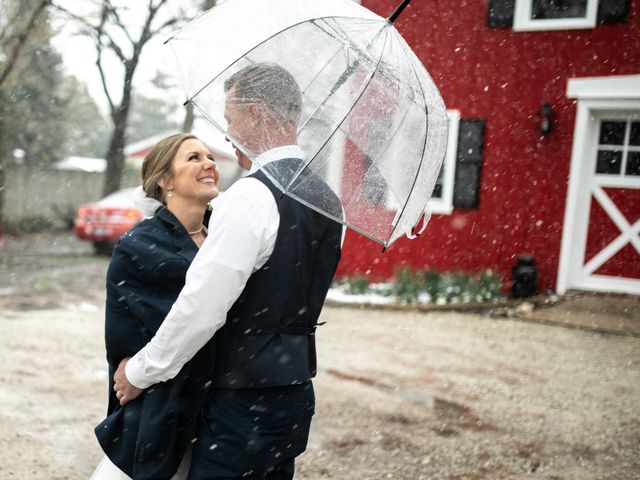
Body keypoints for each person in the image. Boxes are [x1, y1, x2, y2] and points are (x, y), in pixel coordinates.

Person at [113, 62, 343, 479]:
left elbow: (201, 308)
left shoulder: (251, 197)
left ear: (254, 113)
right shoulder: (330, 201)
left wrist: (140, 371)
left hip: (242, 402)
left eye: (230, 118)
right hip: (293, 397)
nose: (227, 132)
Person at [92, 133, 221, 480]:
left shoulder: (222, 239)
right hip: (158, 404)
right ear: (164, 181)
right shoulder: (141, 245)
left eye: (210, 156)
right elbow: (186, 326)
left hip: (216, 410)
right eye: (193, 158)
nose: (209, 164)